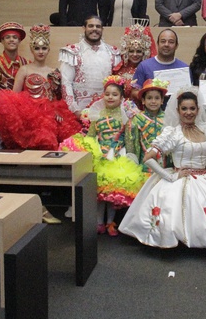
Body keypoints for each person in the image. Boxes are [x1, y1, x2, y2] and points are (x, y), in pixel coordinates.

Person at [119, 88, 206, 248]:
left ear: (198, 110)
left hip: (205, 179)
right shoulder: (173, 133)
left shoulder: (204, 129)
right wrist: (170, 176)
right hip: (180, 178)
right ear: (178, 110)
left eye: (192, 108)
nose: (188, 112)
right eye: (184, 108)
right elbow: (148, 158)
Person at [61, 76, 145, 236]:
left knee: (112, 193)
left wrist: (131, 156)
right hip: (100, 154)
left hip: (117, 156)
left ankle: (110, 222)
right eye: (107, 94)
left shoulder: (125, 117)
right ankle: (99, 222)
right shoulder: (96, 115)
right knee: (99, 192)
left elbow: (128, 139)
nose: (110, 97)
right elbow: (91, 136)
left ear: (121, 98)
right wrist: (88, 150)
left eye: (114, 94)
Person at [0, 25, 81, 150]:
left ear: (48, 50)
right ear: (31, 50)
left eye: (44, 48)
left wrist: (57, 111)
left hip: (52, 118)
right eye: (37, 48)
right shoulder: (24, 70)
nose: (41, 51)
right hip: (30, 119)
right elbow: (14, 98)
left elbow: (58, 98)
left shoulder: (55, 71)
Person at [60, 16, 120, 116]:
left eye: (98, 26)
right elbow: (66, 83)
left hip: (107, 112)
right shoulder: (72, 52)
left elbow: (117, 84)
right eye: (91, 26)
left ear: (102, 29)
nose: (94, 29)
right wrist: (75, 110)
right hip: (79, 110)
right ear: (84, 28)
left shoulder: (113, 53)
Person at [125, 78, 168, 168]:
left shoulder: (167, 118)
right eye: (149, 98)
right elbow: (131, 145)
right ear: (143, 100)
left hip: (166, 167)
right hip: (144, 166)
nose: (153, 101)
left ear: (162, 100)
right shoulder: (137, 119)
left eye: (157, 98)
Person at [131, 29, 189, 95]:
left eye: (171, 42)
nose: (166, 44)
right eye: (163, 41)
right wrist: (150, 96)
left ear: (176, 46)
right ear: (157, 44)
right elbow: (134, 92)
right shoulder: (144, 66)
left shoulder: (184, 68)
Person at [113, 24, 156, 94]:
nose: (135, 54)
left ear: (145, 53)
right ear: (126, 52)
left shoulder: (148, 71)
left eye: (139, 51)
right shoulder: (118, 71)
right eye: (131, 51)